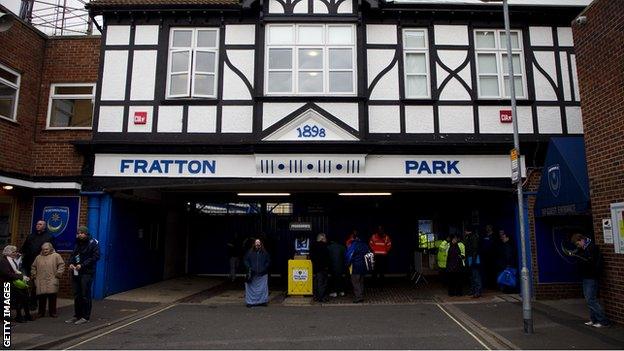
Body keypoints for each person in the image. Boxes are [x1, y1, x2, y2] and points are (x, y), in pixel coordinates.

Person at [570, 233, 611, 328]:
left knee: (591, 299)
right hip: (586, 276)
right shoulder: (583, 249)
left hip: (591, 276)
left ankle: (603, 321)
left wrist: (579, 256)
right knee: (589, 299)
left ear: (581, 240)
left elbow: (591, 261)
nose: (578, 246)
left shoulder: (592, 248)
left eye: (577, 243)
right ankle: (594, 319)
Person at [66, 226, 100, 325]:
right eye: (78, 233)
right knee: (77, 295)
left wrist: (83, 265)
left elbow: (96, 257)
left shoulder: (93, 243)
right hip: (76, 271)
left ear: (86, 233)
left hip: (87, 272)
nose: (79, 234)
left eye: (81, 233)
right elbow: (73, 255)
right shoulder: (77, 243)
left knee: (85, 294)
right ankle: (77, 315)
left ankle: (85, 317)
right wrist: (71, 263)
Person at [21, 220, 55, 310]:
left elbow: (52, 251)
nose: (38, 225)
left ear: (44, 226)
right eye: (37, 224)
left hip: (40, 264)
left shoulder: (49, 237)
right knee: (26, 283)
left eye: (40, 224)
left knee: (36, 284)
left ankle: (33, 303)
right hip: (27, 263)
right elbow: (24, 248)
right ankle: (25, 302)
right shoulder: (31, 236)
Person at [31, 242, 65, 318]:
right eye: (43, 249)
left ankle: (52, 312)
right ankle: (41, 313)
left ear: (50, 249)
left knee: (52, 297)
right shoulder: (38, 257)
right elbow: (33, 267)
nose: (45, 251)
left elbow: (61, 264)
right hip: (41, 279)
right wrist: (34, 275)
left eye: (46, 249)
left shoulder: (56, 256)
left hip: (52, 278)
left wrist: (58, 274)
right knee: (41, 298)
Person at [0, 245, 32, 322]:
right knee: (6, 302)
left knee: (15, 300)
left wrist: (21, 276)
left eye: (15, 251)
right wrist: (21, 277)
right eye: (13, 252)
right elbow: (7, 273)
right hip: (5, 283)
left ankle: (18, 316)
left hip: (13, 283)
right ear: (8, 253)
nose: (15, 253)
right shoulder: (3, 261)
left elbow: (15, 271)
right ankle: (6, 318)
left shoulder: (12, 260)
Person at [244, 238, 270, 307]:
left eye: (259, 243)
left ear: (261, 244)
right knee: (250, 289)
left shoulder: (265, 252)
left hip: (262, 274)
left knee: (263, 289)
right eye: (256, 243)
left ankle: (263, 301)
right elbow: (246, 261)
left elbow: (268, 261)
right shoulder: (249, 252)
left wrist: (264, 268)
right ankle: (250, 302)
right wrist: (249, 268)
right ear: (254, 244)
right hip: (252, 274)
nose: (257, 244)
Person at [346, 231, 369, 303]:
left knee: (355, 282)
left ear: (353, 238)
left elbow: (349, 256)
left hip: (355, 266)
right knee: (361, 281)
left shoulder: (353, 245)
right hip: (363, 266)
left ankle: (358, 297)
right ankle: (361, 295)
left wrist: (347, 264)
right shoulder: (364, 245)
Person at [310, 233, 330, 302]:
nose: (326, 239)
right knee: (322, 283)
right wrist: (327, 266)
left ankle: (316, 296)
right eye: (325, 238)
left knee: (316, 282)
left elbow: (311, 257)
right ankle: (321, 298)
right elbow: (327, 258)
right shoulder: (324, 246)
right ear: (322, 239)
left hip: (315, 268)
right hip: (323, 268)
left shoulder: (313, 246)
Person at [463, 227, 482, 298]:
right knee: (472, 276)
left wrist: (473, 260)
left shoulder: (473, 237)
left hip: (474, 258)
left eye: (465, 231)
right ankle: (474, 290)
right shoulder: (469, 237)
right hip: (470, 258)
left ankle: (477, 291)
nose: (464, 232)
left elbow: (475, 249)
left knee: (476, 275)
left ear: (467, 231)